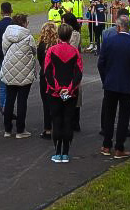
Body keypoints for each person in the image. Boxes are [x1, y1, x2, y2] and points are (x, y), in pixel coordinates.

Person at [97, 15, 130, 158]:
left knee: (109, 115)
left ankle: (106, 145)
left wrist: (105, 79)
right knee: (124, 116)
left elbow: (101, 64)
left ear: (118, 27)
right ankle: (119, 147)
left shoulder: (108, 42)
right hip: (127, 85)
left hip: (110, 83)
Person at [43, 23, 83, 163]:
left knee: (56, 120)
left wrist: (57, 88)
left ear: (58, 35)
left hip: (54, 93)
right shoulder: (75, 51)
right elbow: (78, 73)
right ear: (70, 35)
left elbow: (47, 72)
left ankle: (57, 152)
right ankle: (65, 152)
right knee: (68, 120)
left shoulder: (51, 50)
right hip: (70, 93)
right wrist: (70, 88)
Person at [1, 14, 37, 138]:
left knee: (10, 99)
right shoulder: (28, 37)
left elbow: (4, 50)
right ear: (23, 23)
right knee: (22, 101)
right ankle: (20, 130)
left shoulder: (7, 34)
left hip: (9, 69)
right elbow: (34, 51)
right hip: (24, 71)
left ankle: (7, 129)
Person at [36, 22, 59, 139]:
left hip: (45, 75)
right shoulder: (58, 45)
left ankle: (47, 128)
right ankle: (58, 126)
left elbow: (40, 60)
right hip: (57, 76)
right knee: (57, 102)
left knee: (46, 103)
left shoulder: (41, 45)